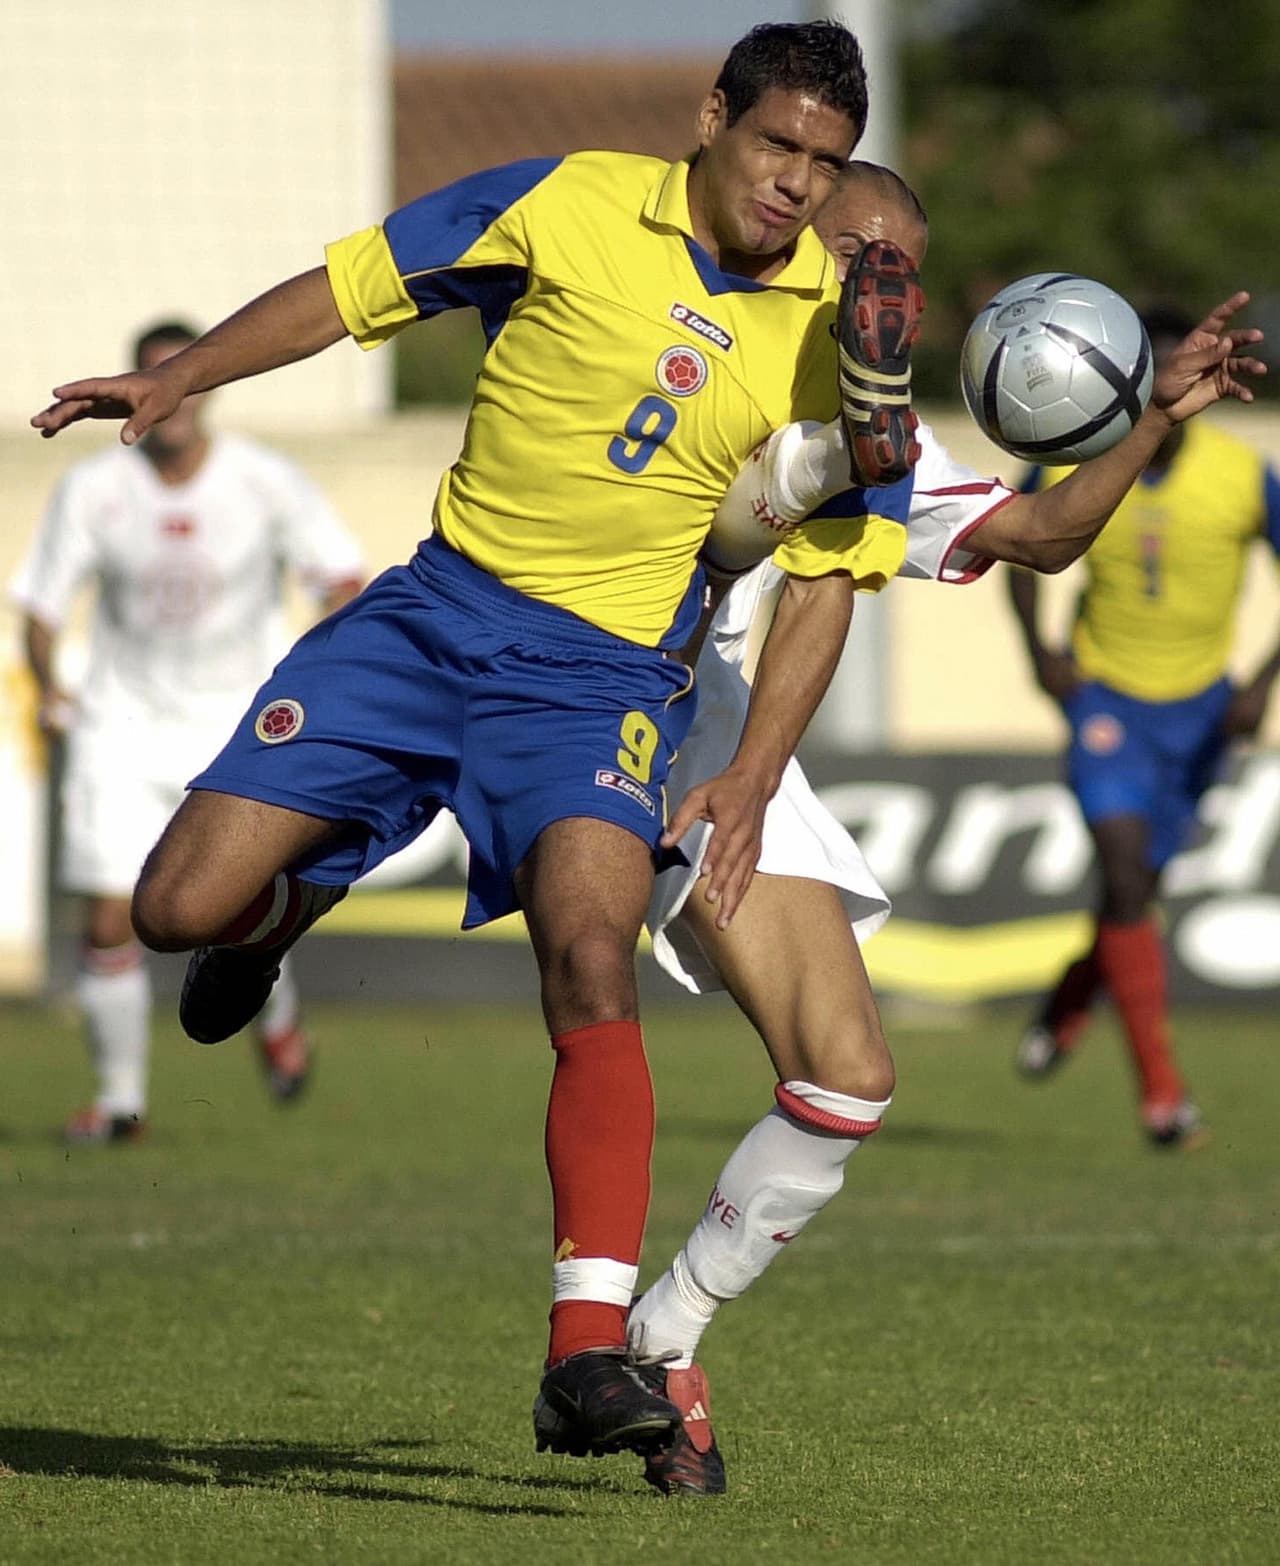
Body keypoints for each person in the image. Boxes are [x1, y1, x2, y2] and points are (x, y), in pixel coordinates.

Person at [31, 21, 920, 1465]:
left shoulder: (844, 337)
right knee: (172, 906)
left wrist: (751, 776)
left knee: (590, 946)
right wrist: (184, 373)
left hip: (602, 681)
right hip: (431, 615)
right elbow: (352, 287)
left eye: (824, 164)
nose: (797, 186)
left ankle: (586, 1347)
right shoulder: (565, 200)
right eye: (776, 148)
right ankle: (274, 916)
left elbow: (826, 579)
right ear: (712, 117)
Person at [605, 166, 1265, 1495]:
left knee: (848, 1073)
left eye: (907, 267)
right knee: (193, 905)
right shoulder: (665, 336)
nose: (885, 291)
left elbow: (1044, 530)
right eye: (865, 255)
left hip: (723, 755)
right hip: (564, 701)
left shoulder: (885, 443)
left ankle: (660, 1332)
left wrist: (1148, 416)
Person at [13, 320, 365, 1143]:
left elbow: (343, 579)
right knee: (109, 919)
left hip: (235, 727)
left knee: (233, 909)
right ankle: (120, 1104)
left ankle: (277, 1023)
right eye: (151, 379)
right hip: (119, 724)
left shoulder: (265, 482)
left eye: (184, 378)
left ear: (205, 389)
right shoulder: (95, 488)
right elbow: (39, 603)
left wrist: (317, 674)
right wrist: (52, 687)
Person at [1005, 304, 1280, 1147]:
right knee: (1124, 873)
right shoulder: (1082, 456)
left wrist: (1262, 683)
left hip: (1200, 713)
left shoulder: (1243, 474)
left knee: (1137, 894)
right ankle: (1163, 1095)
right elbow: (1011, 548)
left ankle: (1071, 998)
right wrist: (1043, 654)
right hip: (1107, 702)